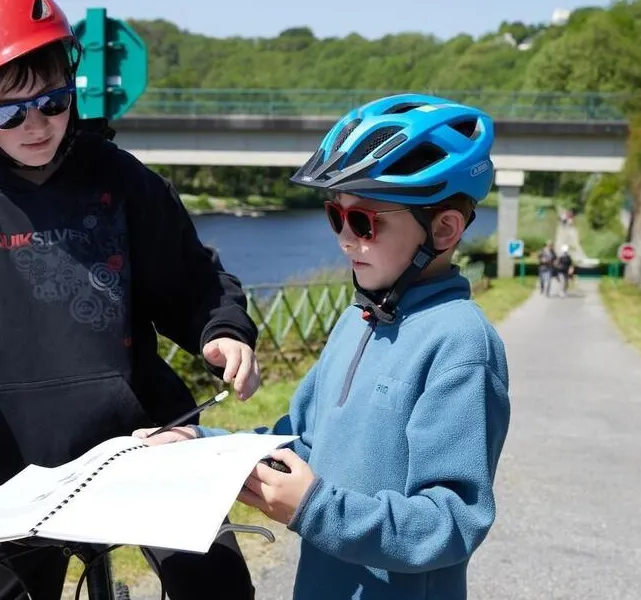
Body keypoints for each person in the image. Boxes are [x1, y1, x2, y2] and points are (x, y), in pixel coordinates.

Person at [0, 1, 262, 598]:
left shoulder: (122, 178)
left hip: (147, 443)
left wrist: (223, 328)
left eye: (54, 101)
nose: (38, 125)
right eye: (8, 112)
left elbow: (191, 281)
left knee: (218, 584)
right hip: (16, 469)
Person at [138, 94, 511, 600]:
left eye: (365, 223)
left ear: (443, 229)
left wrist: (316, 509)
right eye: (335, 215)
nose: (344, 239)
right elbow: (305, 445)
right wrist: (203, 444)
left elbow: (450, 521)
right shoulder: (357, 319)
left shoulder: (460, 343)